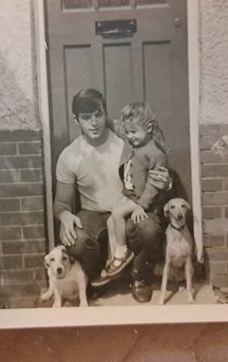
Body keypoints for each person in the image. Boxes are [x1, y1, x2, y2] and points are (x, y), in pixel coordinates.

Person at [54, 89, 171, 303]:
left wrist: (167, 182)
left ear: (105, 113)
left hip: (128, 208)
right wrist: (64, 216)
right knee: (76, 238)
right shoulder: (70, 155)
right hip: (94, 213)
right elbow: (61, 202)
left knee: (149, 227)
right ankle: (95, 275)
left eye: (98, 114)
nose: (94, 123)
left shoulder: (127, 142)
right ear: (76, 120)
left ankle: (140, 277)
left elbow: (154, 161)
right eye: (86, 117)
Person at [98, 102, 169, 282]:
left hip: (144, 199)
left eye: (133, 132)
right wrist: (101, 119)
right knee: (110, 222)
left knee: (117, 212)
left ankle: (122, 252)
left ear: (150, 128)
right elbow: (118, 126)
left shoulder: (155, 153)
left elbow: (154, 184)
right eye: (128, 132)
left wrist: (141, 206)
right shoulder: (133, 139)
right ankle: (114, 258)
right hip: (131, 194)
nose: (129, 136)